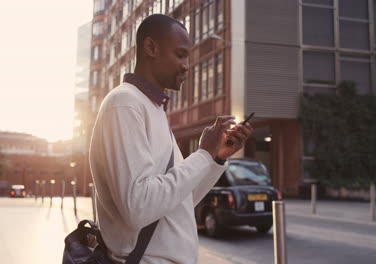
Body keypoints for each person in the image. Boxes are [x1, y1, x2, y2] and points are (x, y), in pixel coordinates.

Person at [89, 14, 253, 263]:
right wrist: (202, 155)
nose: (187, 65)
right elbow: (139, 207)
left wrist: (215, 159)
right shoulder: (124, 104)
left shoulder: (152, 109)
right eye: (180, 54)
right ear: (151, 47)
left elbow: (178, 201)